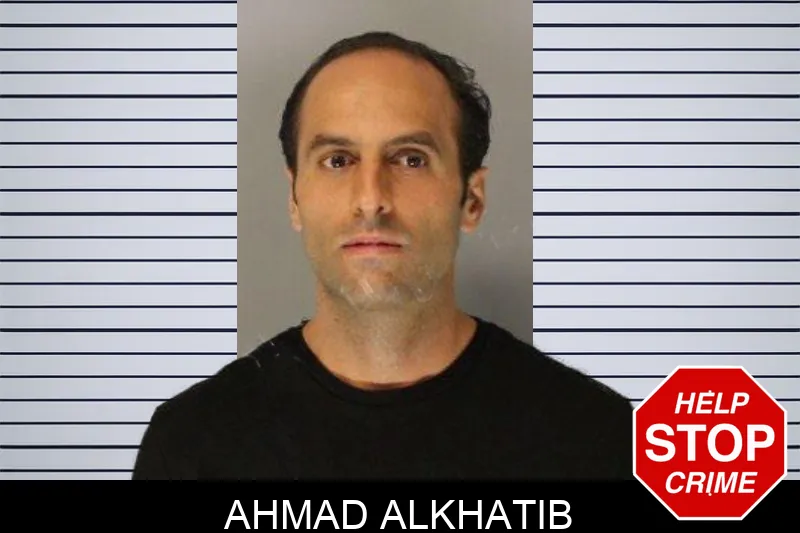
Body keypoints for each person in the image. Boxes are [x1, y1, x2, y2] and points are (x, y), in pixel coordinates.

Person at [132, 31, 633, 480]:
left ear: (472, 199)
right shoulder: (191, 446)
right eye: (338, 160)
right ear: (294, 198)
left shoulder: (600, 441)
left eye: (411, 159)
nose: (371, 198)